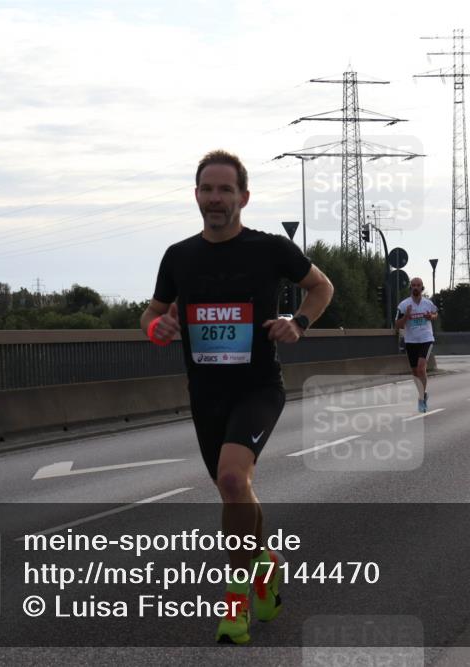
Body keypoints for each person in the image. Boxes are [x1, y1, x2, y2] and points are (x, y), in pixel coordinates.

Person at [142, 150, 334, 644]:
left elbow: (321, 287)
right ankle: (267, 568)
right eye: (207, 189)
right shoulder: (178, 256)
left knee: (231, 476)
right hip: (206, 394)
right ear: (196, 196)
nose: (215, 199)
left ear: (243, 198)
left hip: (258, 388)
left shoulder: (269, 249)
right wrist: (158, 326)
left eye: (226, 190)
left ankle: (236, 602)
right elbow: (152, 315)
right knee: (236, 488)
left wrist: (298, 323)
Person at [395, 278, 439, 413]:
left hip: (426, 338)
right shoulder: (403, 305)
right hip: (411, 341)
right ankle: (423, 393)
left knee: (421, 368)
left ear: (422, 288)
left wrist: (431, 317)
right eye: (413, 285)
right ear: (410, 288)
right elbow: (397, 325)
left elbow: (435, 314)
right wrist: (406, 316)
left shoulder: (428, 303)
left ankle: (421, 398)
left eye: (418, 285)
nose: (415, 287)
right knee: (415, 372)